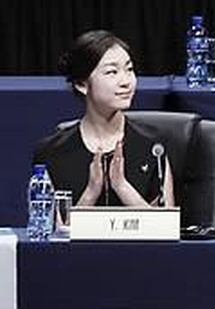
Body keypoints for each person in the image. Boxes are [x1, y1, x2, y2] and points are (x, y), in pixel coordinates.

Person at [32, 30, 175, 207]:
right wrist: (91, 193)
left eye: (129, 69)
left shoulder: (153, 146)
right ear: (81, 84)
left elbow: (163, 229)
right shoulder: (52, 152)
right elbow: (54, 230)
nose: (126, 81)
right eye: (111, 72)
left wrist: (122, 187)